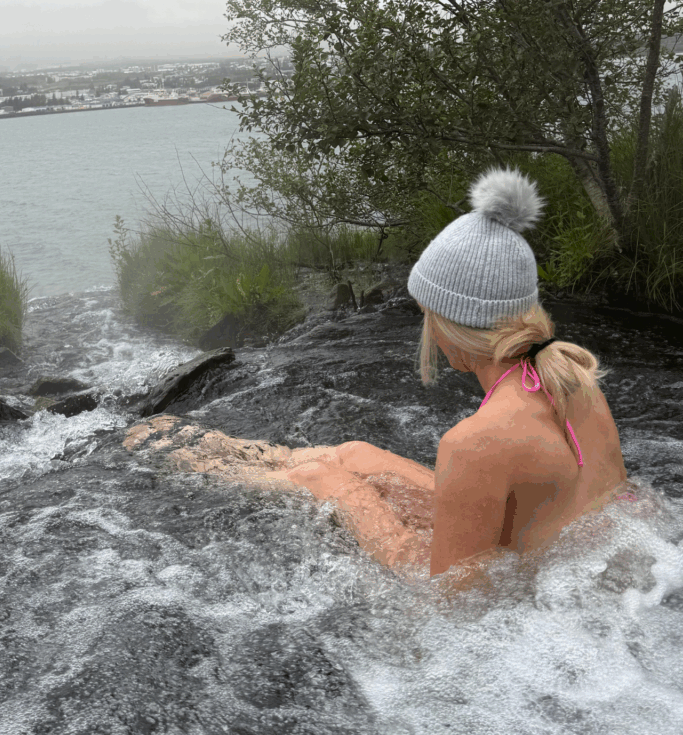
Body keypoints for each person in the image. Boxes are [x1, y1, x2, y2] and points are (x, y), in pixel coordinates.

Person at [124, 167, 630, 577]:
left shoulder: (476, 443)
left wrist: (347, 500)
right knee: (355, 454)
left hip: (530, 592)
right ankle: (220, 451)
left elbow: (455, 604)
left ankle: (194, 461)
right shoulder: (572, 375)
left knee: (325, 478)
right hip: (557, 558)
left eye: (426, 313)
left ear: (453, 320)